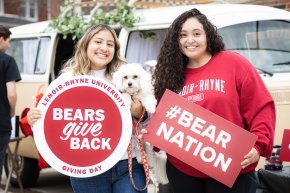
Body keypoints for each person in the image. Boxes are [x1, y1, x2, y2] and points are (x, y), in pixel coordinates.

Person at [151, 8, 275, 193]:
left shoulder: (233, 63)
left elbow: (261, 107)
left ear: (208, 35)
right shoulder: (169, 75)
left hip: (232, 168)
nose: (190, 40)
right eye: (183, 35)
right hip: (183, 172)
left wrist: (258, 146)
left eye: (196, 34)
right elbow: (163, 119)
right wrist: (155, 134)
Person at [27, 24, 147, 193]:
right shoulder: (67, 80)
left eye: (110, 44)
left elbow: (147, 113)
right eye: (98, 41)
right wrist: (35, 118)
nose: (104, 48)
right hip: (87, 169)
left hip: (127, 164)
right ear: (86, 45)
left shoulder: (125, 76)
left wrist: (139, 112)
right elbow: (53, 117)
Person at [0, 25, 21, 185]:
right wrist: (12, 110)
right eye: (9, 41)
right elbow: (12, 93)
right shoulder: (7, 60)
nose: (9, 45)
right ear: (1, 39)